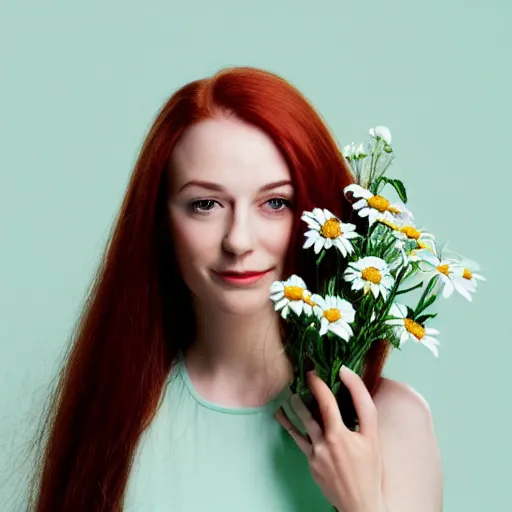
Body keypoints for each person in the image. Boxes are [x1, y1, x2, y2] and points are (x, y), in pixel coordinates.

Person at [27, 66, 443, 511]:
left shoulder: (392, 424)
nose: (239, 240)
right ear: (161, 223)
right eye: (205, 204)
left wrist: (362, 503)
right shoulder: (113, 414)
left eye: (275, 203)